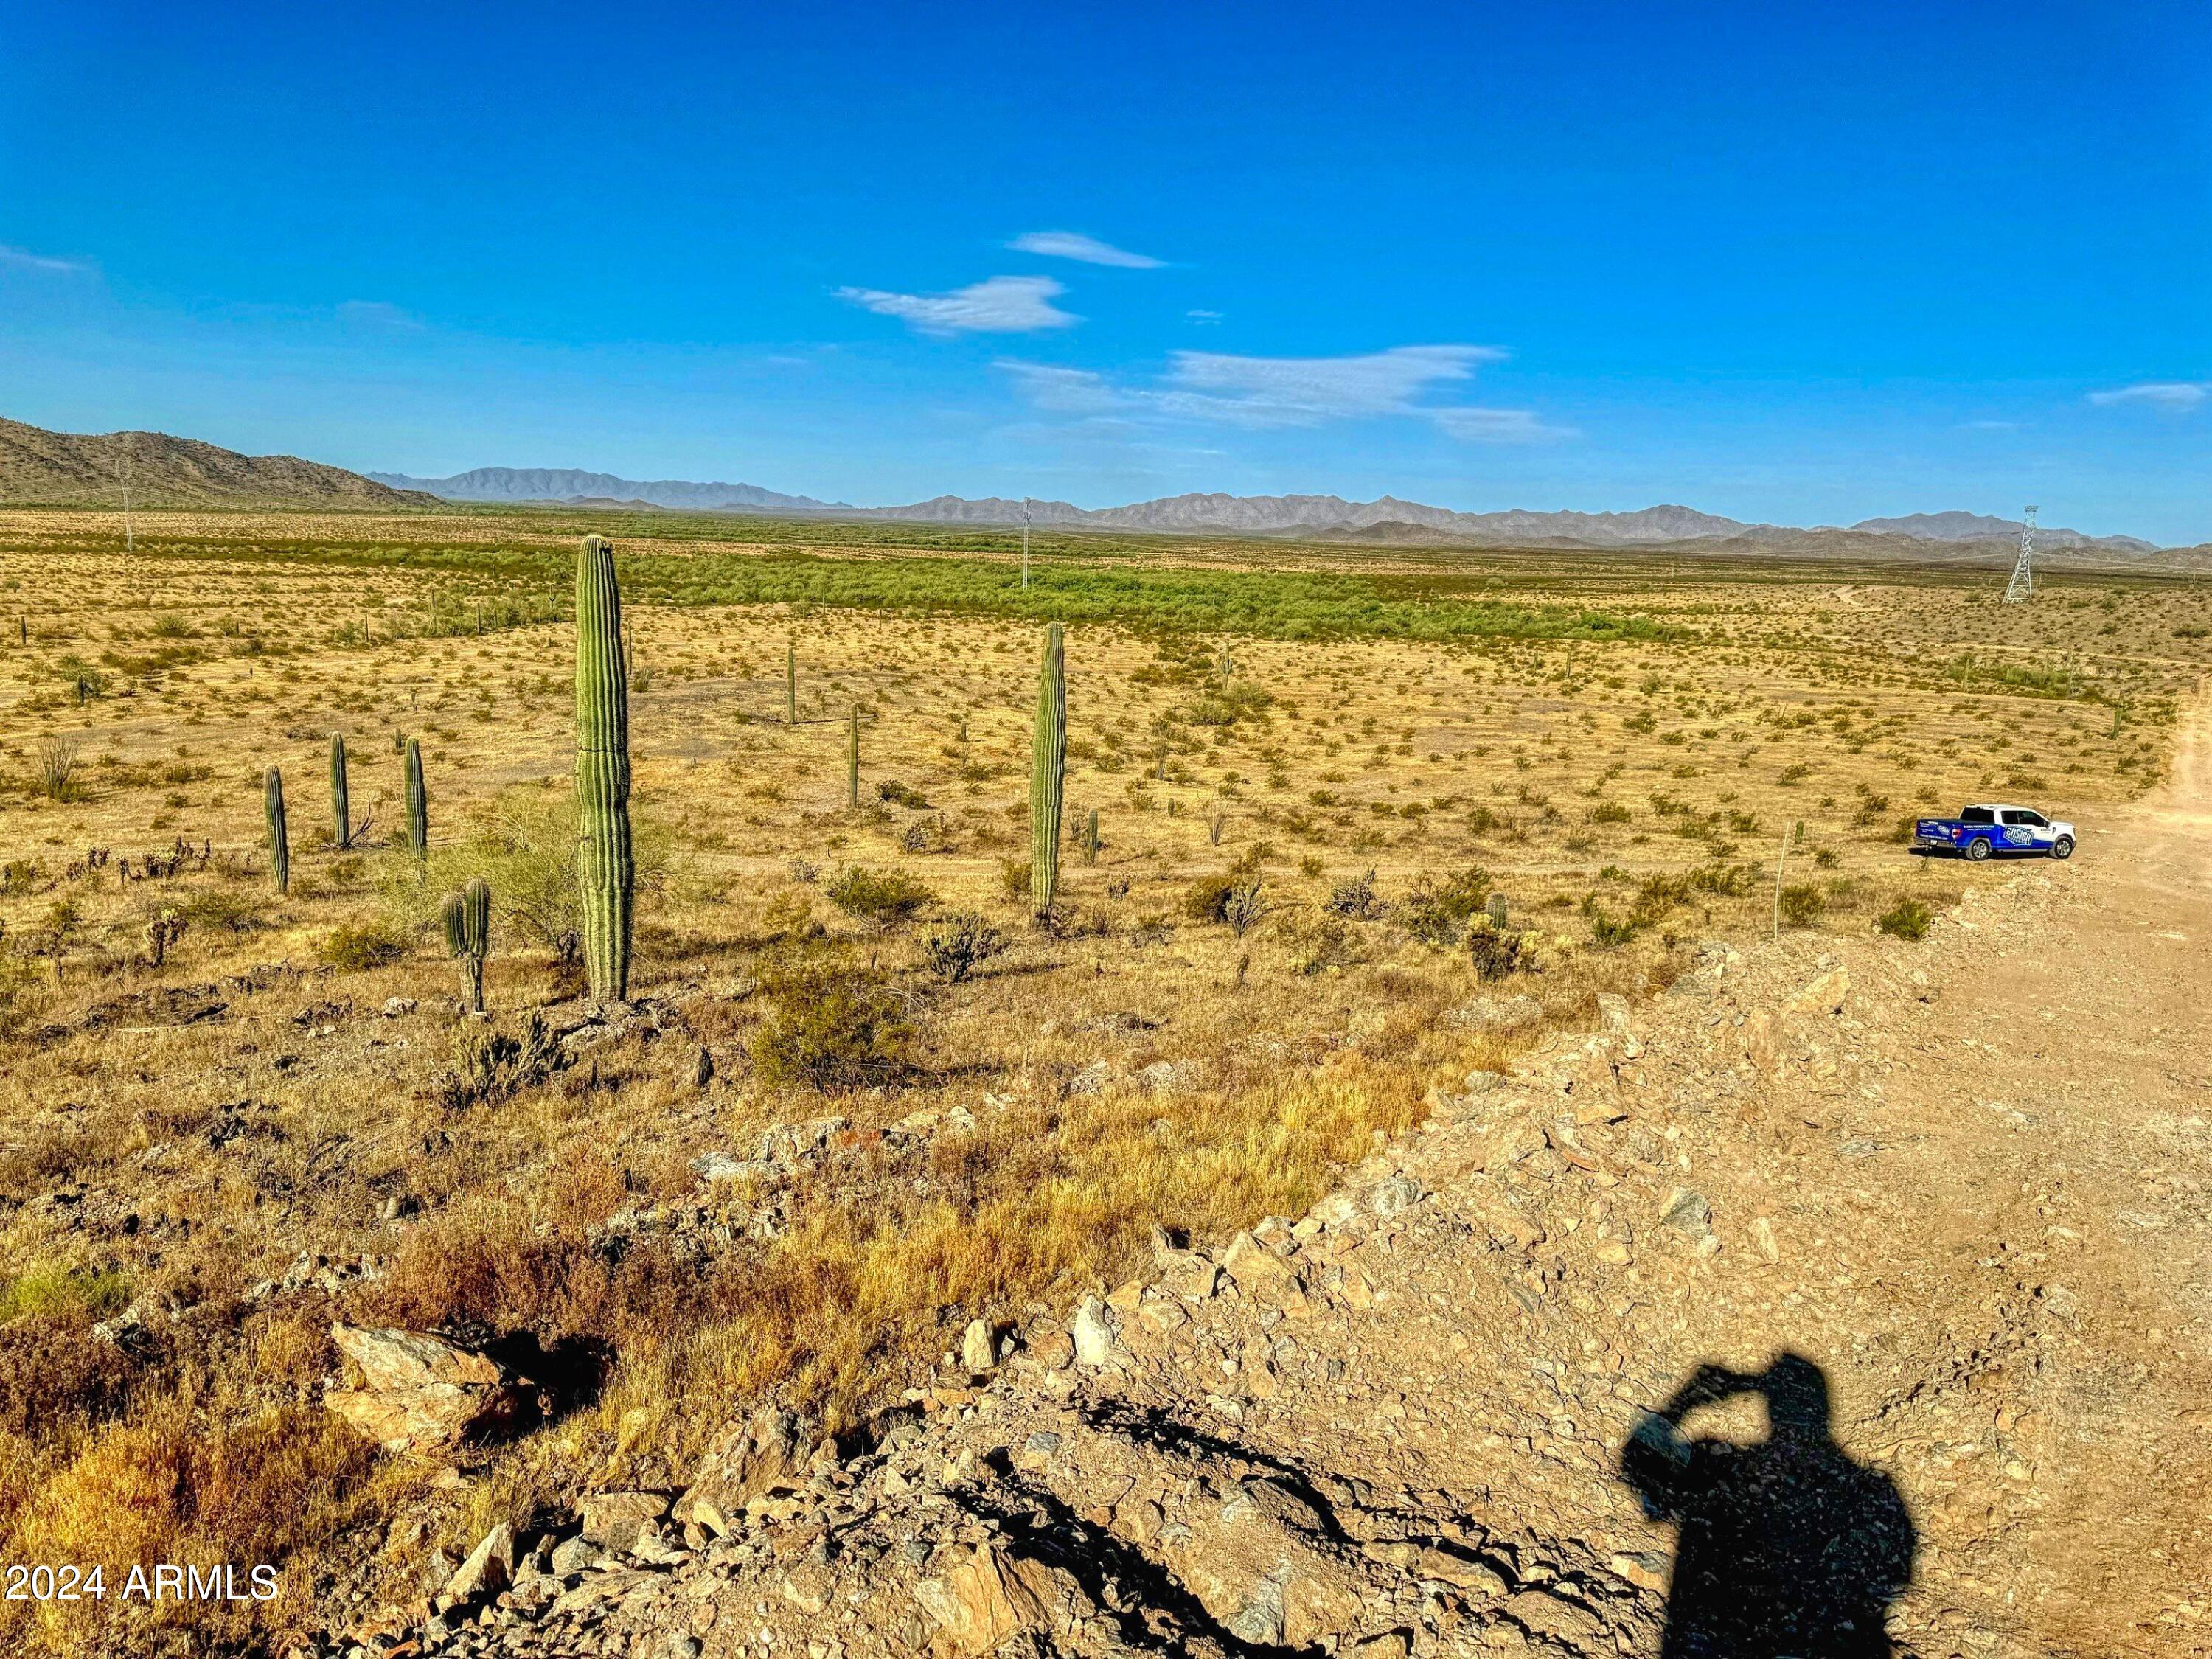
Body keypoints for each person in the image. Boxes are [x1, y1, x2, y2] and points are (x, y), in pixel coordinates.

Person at [1619, 1354, 1915, 1658]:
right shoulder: (1874, 1490)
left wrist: (1688, 1400)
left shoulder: (1724, 1465)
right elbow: (1894, 1579)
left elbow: (1638, 1466)